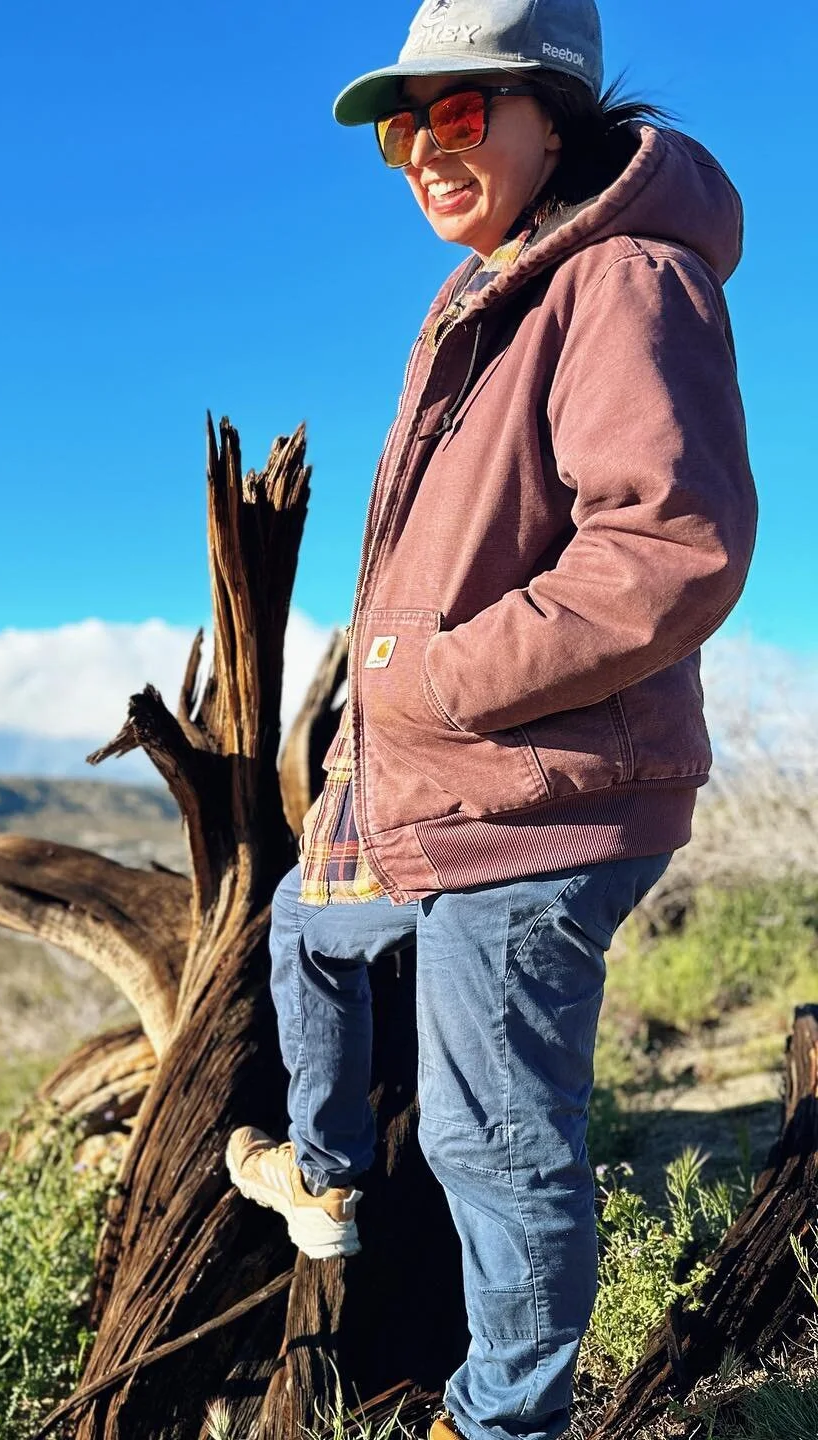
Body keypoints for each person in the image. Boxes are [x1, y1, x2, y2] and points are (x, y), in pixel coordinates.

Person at [224, 2, 758, 1438]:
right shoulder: (504, 287)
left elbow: (669, 548)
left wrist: (433, 679)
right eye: (404, 129)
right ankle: (325, 1175)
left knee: (494, 1139)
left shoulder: (622, 279)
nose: (423, 153)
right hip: (443, 777)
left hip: (543, 796)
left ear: (556, 109)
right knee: (306, 928)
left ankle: (504, 1422)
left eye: (458, 115)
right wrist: (379, 727)